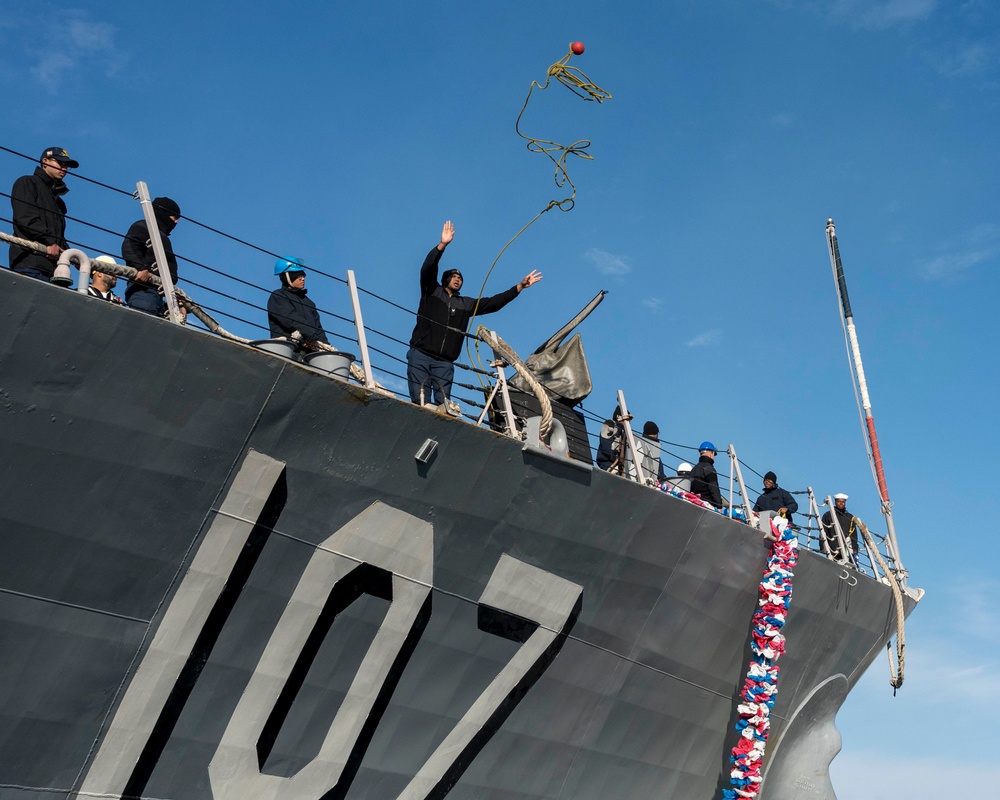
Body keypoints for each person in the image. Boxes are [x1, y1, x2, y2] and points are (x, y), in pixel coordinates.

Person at [406, 220, 542, 406]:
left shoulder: (466, 304)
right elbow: (427, 269)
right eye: (454, 277)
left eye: (460, 278)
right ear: (445, 279)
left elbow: (492, 303)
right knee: (420, 401)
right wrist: (442, 245)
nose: (457, 280)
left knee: (443, 407)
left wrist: (519, 287)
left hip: (445, 363)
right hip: (421, 354)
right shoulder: (432, 291)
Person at [8, 147, 78, 281]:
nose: (64, 169)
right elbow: (25, 219)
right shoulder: (27, 182)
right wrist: (50, 241)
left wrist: (72, 255)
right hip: (29, 263)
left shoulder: (58, 201)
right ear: (45, 161)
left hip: (52, 270)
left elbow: (58, 237)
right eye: (60, 163)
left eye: (67, 166)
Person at [121, 197, 183, 316]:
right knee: (142, 324)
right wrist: (141, 267)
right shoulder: (142, 227)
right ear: (164, 213)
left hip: (159, 295)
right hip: (143, 290)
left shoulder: (162, 237)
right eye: (174, 217)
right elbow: (130, 247)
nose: (176, 222)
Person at [267, 257, 329, 348]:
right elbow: (291, 318)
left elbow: (318, 329)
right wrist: (311, 335)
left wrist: (326, 346)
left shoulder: (309, 303)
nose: (302, 279)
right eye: (298, 276)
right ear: (287, 277)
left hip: (309, 351)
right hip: (288, 349)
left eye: (303, 275)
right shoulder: (278, 297)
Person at [688, 441, 724, 508]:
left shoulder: (693, 470)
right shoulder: (709, 468)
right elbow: (713, 488)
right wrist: (719, 506)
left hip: (694, 504)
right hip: (707, 506)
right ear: (711, 453)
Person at [822, 492, 857, 560]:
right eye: (839, 501)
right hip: (833, 549)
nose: (841, 503)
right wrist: (823, 546)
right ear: (835, 502)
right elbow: (823, 531)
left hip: (847, 550)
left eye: (843, 502)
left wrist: (855, 550)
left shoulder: (850, 517)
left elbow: (854, 535)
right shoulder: (828, 515)